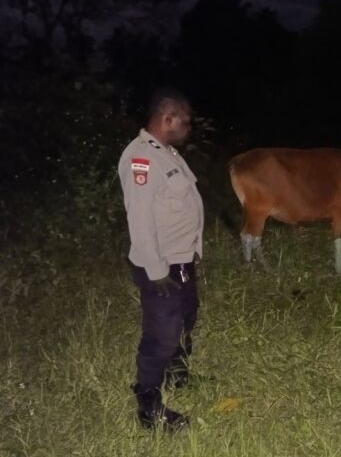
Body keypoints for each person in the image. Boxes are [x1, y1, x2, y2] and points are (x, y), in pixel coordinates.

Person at [118, 88, 204, 431]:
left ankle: (177, 374)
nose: (189, 127)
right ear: (168, 118)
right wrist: (156, 272)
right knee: (162, 334)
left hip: (181, 260)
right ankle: (149, 407)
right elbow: (139, 220)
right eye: (186, 120)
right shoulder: (142, 158)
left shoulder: (166, 153)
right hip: (161, 265)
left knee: (185, 316)